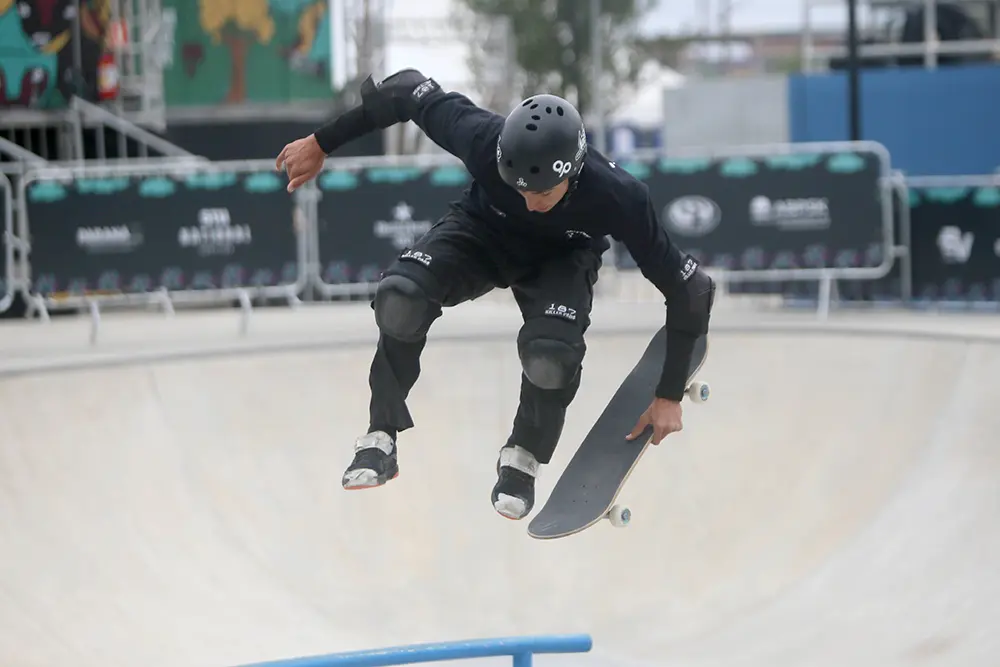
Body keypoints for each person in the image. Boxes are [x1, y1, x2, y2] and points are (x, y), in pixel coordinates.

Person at [274, 69, 714, 521]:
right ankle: (380, 437)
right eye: (518, 187)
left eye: (541, 193)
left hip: (561, 259)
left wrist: (669, 393)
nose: (529, 202)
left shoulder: (619, 197)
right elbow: (407, 92)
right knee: (400, 298)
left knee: (551, 354)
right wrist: (322, 142)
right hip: (481, 233)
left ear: (574, 172)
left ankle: (523, 456)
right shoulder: (482, 137)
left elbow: (690, 288)